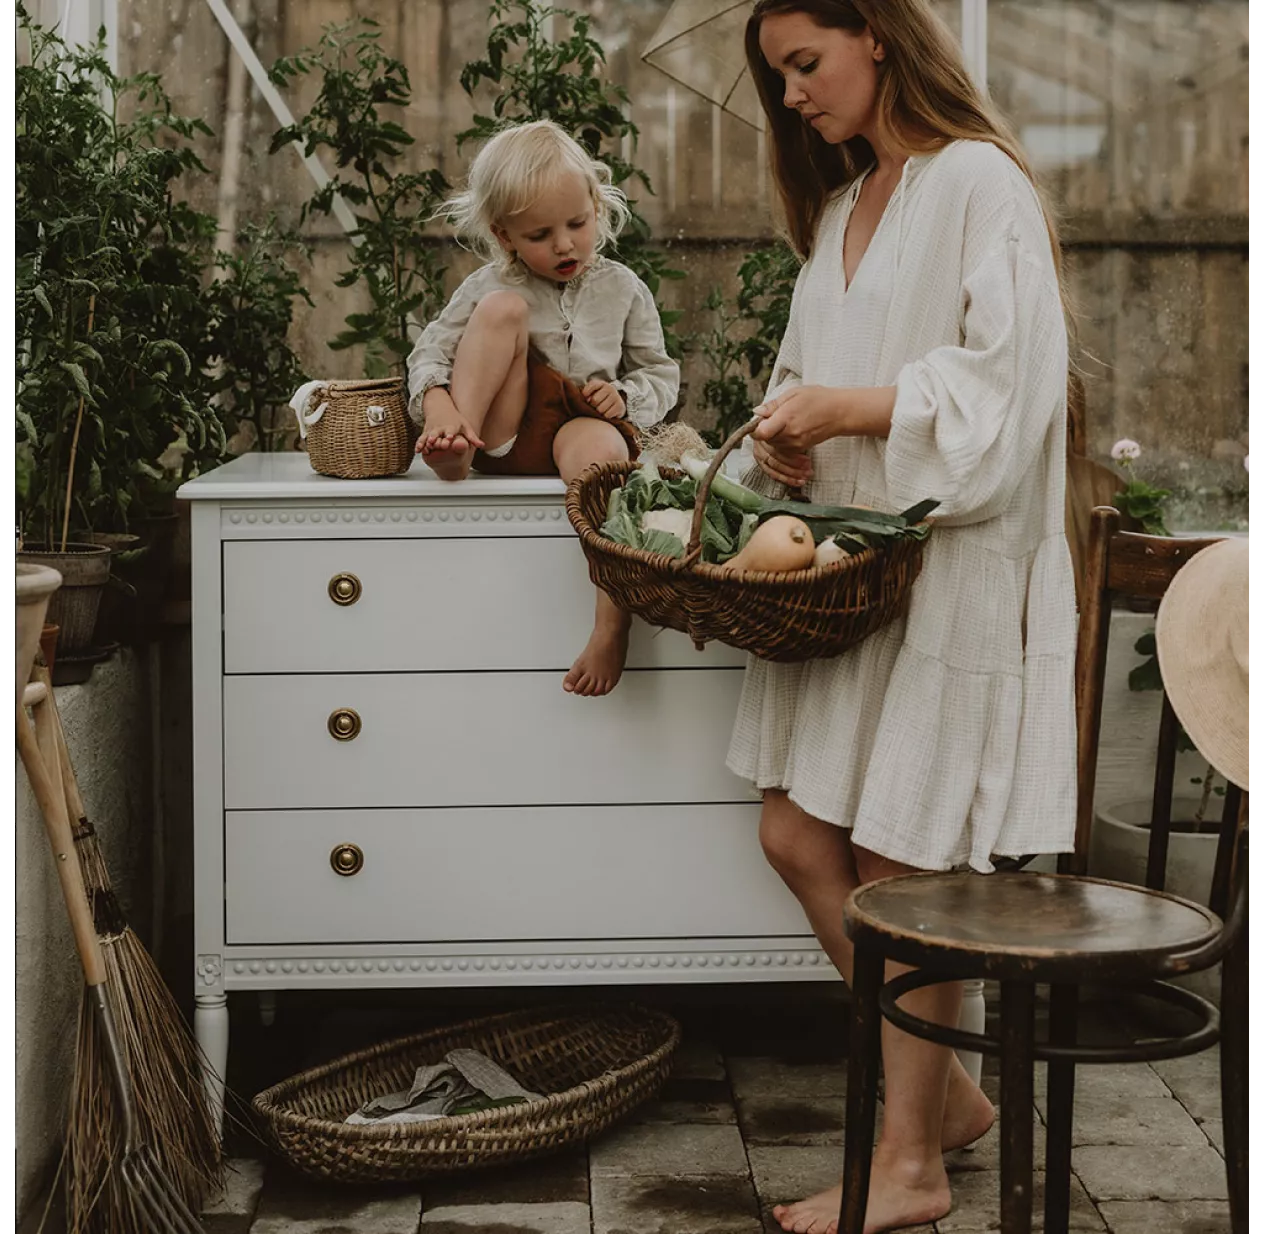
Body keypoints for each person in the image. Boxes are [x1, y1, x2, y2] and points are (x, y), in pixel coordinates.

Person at [730, 1, 1078, 1230]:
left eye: (805, 63)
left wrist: (849, 410)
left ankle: (909, 1165)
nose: (791, 96)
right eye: (778, 76)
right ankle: (956, 1103)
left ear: (878, 35)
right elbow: (798, 377)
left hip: (951, 570)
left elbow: (1009, 382)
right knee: (794, 832)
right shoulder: (836, 213)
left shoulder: (978, 182)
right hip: (849, 576)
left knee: (897, 862)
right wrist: (782, 441)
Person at [406, 119, 679, 696]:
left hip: (579, 427)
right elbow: (429, 350)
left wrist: (625, 397)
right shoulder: (489, 283)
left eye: (577, 224)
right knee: (503, 310)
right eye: (539, 235)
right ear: (504, 236)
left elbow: (658, 372)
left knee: (604, 452)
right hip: (502, 428)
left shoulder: (623, 288)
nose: (563, 244)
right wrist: (439, 407)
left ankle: (611, 623)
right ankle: (456, 448)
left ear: (598, 211)